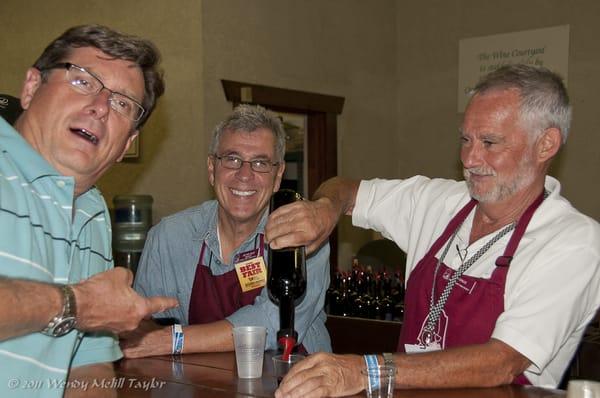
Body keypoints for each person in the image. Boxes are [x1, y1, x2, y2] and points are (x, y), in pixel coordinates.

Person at [266, 64, 600, 397]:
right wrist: (326, 208)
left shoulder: (573, 242)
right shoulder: (439, 203)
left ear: (546, 144)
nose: (470, 158)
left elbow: (501, 362)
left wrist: (366, 370)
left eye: (489, 142)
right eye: (465, 139)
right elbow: (346, 188)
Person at [0, 25, 178, 397]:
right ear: (31, 87)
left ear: (127, 142)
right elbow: (88, 310)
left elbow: (88, 362)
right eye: (82, 81)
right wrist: (78, 303)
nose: (100, 107)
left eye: (122, 103)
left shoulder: (93, 212)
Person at [121, 104, 331, 357]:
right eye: (232, 159)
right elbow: (145, 328)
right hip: (200, 382)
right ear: (212, 169)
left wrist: (175, 340)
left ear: (278, 176)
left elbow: (270, 323)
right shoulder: (168, 237)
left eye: (260, 163)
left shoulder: (303, 235)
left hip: (295, 382)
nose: (245, 175)